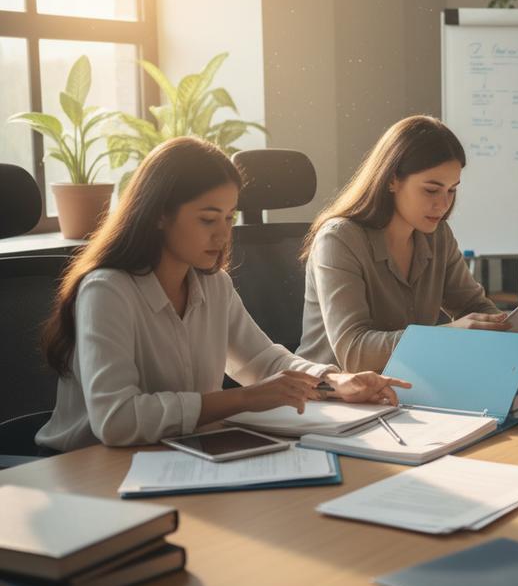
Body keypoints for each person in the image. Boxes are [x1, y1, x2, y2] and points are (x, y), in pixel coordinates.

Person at [37, 137, 405, 453]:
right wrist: (242, 400)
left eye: (229, 218)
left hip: (176, 454)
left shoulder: (212, 284)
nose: (223, 235)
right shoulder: (107, 291)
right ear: (159, 215)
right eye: (207, 219)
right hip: (88, 469)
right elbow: (116, 421)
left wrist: (334, 381)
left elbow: (261, 361)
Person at [296, 116, 513, 373]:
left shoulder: (437, 235)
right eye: (431, 190)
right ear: (391, 180)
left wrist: (506, 327)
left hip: (405, 387)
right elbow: (354, 353)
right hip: (330, 398)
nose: (444, 205)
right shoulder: (338, 240)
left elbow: (471, 306)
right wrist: (450, 336)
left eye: (451, 190)